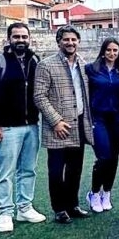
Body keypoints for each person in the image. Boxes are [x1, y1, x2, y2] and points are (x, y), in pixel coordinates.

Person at [0, 22, 46, 232]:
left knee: (28, 170)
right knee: (5, 173)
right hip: (6, 128)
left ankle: (24, 208)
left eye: (24, 37)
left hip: (31, 126)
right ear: (9, 39)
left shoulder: (35, 61)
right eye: (16, 37)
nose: (21, 40)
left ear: (29, 39)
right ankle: (5, 213)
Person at [33, 25, 94, 224]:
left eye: (73, 39)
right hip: (58, 129)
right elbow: (39, 96)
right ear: (58, 42)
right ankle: (59, 209)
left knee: (75, 169)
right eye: (66, 39)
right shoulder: (46, 65)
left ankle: (72, 205)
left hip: (79, 125)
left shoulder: (83, 64)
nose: (70, 43)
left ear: (78, 42)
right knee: (56, 171)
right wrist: (56, 121)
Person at [84, 38, 119, 212]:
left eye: (115, 50)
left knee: (114, 158)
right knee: (104, 157)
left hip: (115, 118)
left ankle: (106, 193)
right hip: (97, 118)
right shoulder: (91, 69)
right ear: (103, 51)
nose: (112, 53)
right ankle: (93, 193)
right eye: (109, 50)